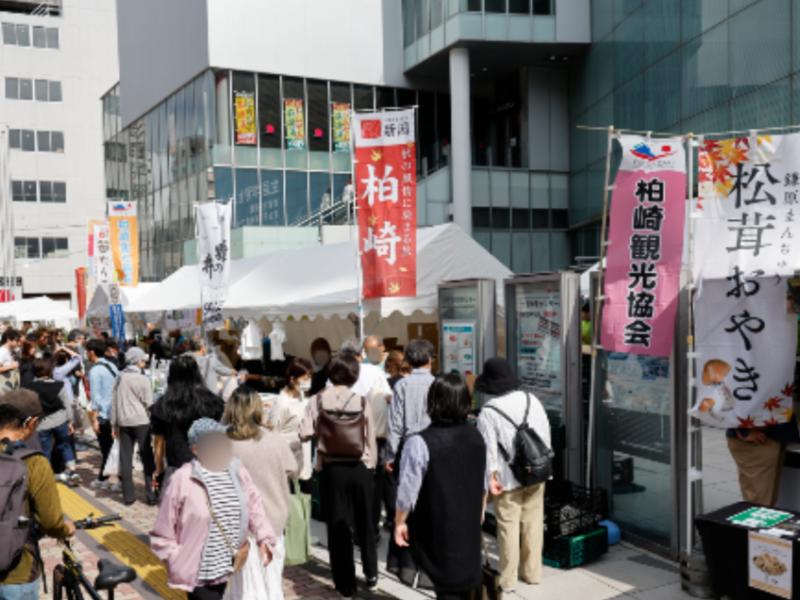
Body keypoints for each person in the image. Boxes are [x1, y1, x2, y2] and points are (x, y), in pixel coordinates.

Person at [150, 418, 278, 600]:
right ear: (196, 449)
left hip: (226, 565)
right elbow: (163, 529)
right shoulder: (182, 479)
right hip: (198, 573)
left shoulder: (236, 470)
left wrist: (264, 536)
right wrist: (176, 560)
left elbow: (253, 505)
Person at [395, 373, 486, 600]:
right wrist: (480, 515)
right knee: (463, 589)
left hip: (437, 529)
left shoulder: (420, 442)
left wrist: (399, 522)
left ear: (433, 401)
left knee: (445, 589)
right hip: (468, 527)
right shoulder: (476, 436)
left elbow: (408, 491)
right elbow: (482, 482)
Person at [300, 353, 379, 598]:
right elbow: (370, 438)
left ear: (331, 373)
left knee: (338, 525)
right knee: (365, 521)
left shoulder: (317, 400)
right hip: (360, 466)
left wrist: (324, 433)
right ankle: (371, 574)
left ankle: (345, 584)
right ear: (354, 375)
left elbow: (303, 432)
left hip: (332, 468)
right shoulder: (362, 401)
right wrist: (371, 467)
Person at [476, 357, 551, 592]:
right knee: (533, 523)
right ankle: (532, 573)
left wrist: (490, 478)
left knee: (508, 526)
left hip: (507, 479)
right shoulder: (533, 400)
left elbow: (487, 450)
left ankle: (507, 579)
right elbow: (545, 436)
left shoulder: (489, 411)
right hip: (537, 472)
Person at [225, 387, 298, 600]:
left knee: (245, 584)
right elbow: (292, 469)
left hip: (240, 526)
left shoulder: (225, 441)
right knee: (272, 580)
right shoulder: (273, 439)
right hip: (273, 520)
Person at [0, 390, 76, 597]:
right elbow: (50, 522)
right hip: (17, 575)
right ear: (31, 422)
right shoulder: (33, 461)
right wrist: (65, 529)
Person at [385, 339, 436, 580]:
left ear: (408, 360)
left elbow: (394, 424)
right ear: (430, 360)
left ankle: (407, 563)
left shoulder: (402, 385)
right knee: (430, 504)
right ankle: (428, 564)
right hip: (434, 447)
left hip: (408, 448)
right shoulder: (438, 384)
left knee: (407, 501)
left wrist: (391, 454)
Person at [150, 355, 225, 481]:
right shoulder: (211, 401)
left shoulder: (164, 404)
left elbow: (158, 440)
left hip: (177, 464)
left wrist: (159, 467)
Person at [22, 356, 80, 485]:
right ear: (50, 371)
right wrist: (70, 422)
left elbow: (29, 408)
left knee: (45, 450)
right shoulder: (59, 386)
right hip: (61, 420)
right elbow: (67, 405)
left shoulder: (30, 388)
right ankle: (73, 471)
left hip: (42, 424)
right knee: (65, 446)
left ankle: (47, 476)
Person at [111, 347, 157, 506]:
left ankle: (128, 497)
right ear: (138, 361)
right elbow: (149, 403)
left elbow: (114, 403)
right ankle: (151, 495)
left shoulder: (119, 378)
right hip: (142, 422)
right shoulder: (144, 379)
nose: (144, 363)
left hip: (123, 422)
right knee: (147, 458)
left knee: (125, 458)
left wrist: (113, 424)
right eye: (143, 360)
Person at [269, 357, 314, 495]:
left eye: (310, 377)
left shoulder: (301, 395)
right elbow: (272, 435)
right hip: (288, 463)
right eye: (305, 378)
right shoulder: (281, 404)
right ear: (293, 379)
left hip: (304, 460)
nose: (308, 382)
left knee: (305, 503)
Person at [86, 338, 120, 490]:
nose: (86, 354)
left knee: (106, 448)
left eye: (87, 351)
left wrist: (94, 418)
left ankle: (104, 478)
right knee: (115, 447)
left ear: (92, 352)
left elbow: (95, 396)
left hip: (104, 414)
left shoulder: (94, 371)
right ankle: (113, 478)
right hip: (116, 412)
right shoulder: (112, 365)